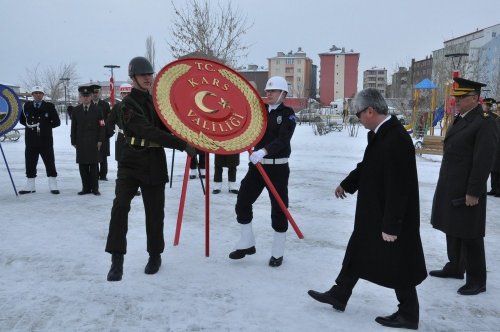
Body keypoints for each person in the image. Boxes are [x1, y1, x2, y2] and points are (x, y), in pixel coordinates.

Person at [308, 88, 427, 330]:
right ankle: (339, 294)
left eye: (358, 114)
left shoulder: (396, 139)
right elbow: (367, 166)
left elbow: (399, 186)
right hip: (373, 213)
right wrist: (347, 184)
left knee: (398, 261)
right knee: (357, 250)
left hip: (389, 216)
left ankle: (409, 314)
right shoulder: (380, 135)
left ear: (370, 111)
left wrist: (392, 224)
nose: (358, 119)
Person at [105, 56, 195, 282]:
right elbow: (147, 130)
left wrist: (193, 128)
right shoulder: (126, 105)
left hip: (154, 161)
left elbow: (172, 124)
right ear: (133, 77)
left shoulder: (158, 104)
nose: (148, 78)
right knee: (120, 207)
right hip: (130, 161)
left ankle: (155, 255)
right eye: (143, 75)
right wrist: (182, 144)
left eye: (149, 74)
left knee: (155, 212)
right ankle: (117, 259)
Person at [429, 78, 498, 296]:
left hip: (468, 188)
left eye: (461, 98)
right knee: (452, 227)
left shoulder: (485, 121)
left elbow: (483, 160)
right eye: (456, 97)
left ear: (475, 99)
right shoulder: (461, 118)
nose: (456, 101)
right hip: (452, 184)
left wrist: (474, 191)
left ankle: (477, 279)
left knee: (470, 233)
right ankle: (456, 266)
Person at [229, 76, 296, 268]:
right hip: (258, 167)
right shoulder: (260, 112)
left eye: (272, 91)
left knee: (279, 208)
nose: (268, 94)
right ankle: (247, 242)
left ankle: (277, 252)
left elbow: (283, 139)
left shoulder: (288, 114)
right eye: (267, 91)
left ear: (283, 94)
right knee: (242, 200)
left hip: (278, 167)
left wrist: (264, 151)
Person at [19, 86, 61, 194]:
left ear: (43, 95)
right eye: (35, 93)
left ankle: (53, 184)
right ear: (32, 94)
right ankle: (30, 185)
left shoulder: (49, 106)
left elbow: (56, 122)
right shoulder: (26, 106)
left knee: (49, 162)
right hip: (31, 139)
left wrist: (45, 126)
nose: (38, 95)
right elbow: (23, 120)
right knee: (30, 162)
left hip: (45, 139)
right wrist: (32, 127)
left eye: (40, 93)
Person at [71, 86, 105, 196]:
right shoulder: (76, 110)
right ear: (80, 97)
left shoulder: (98, 109)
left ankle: (95, 188)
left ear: (91, 97)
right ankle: (85, 188)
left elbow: (102, 126)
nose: (85, 98)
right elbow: (73, 127)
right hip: (80, 142)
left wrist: (100, 140)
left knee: (94, 166)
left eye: (87, 96)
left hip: (94, 142)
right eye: (83, 96)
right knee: (83, 166)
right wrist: (73, 141)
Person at [91, 84, 111, 181]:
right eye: (93, 92)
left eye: (97, 92)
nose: (95, 94)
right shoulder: (87, 104)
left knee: (103, 156)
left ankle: (103, 175)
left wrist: (108, 133)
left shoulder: (105, 105)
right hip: (91, 135)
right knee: (92, 155)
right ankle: (94, 174)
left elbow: (109, 120)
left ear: (99, 93)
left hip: (103, 134)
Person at [482, 98, 500, 197]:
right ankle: (494, 188)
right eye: (498, 110)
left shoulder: (494, 118)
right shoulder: (496, 119)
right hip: (495, 147)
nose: (499, 111)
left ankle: (499, 189)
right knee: (494, 169)